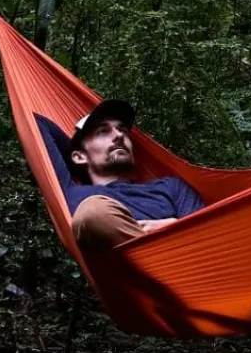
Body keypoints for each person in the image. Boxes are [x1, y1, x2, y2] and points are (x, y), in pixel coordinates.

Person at [65, 99, 205, 248]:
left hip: (194, 262)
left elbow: (206, 232)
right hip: (126, 268)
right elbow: (41, 126)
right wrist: (171, 224)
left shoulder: (171, 187)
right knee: (93, 212)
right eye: (103, 131)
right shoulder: (77, 193)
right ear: (79, 157)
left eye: (123, 130)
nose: (119, 135)